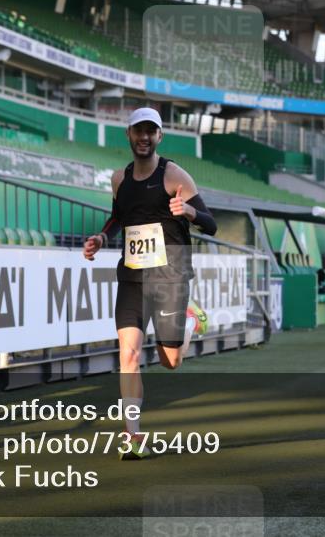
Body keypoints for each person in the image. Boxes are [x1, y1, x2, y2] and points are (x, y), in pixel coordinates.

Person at [82, 107, 217, 460]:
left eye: (150, 132)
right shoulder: (119, 179)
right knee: (128, 354)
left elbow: (211, 223)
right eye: (138, 131)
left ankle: (188, 321)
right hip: (132, 276)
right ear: (128, 135)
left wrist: (189, 212)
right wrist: (102, 236)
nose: (144, 137)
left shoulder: (173, 175)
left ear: (159, 136)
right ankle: (133, 436)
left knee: (170, 360)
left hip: (171, 275)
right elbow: (118, 217)